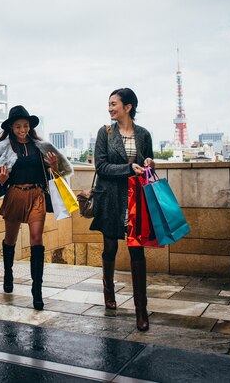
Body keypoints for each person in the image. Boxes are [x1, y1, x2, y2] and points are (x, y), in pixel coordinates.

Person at [0, 105, 72, 310]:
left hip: (37, 195)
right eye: (18, 126)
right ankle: (8, 272)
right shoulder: (3, 148)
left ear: (30, 127)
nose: (23, 130)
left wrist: (54, 165)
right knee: (10, 239)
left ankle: (37, 291)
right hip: (14, 195)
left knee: (37, 240)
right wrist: (3, 180)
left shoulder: (40, 146)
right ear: (12, 128)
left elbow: (54, 175)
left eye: (26, 126)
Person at [90, 88, 155, 331]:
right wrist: (130, 169)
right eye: (109, 104)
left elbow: (148, 160)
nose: (110, 108)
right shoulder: (105, 133)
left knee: (137, 252)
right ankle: (109, 292)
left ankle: (141, 310)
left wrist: (149, 163)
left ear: (128, 107)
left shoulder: (144, 134)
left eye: (114, 104)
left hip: (135, 200)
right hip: (110, 199)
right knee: (110, 247)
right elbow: (102, 166)